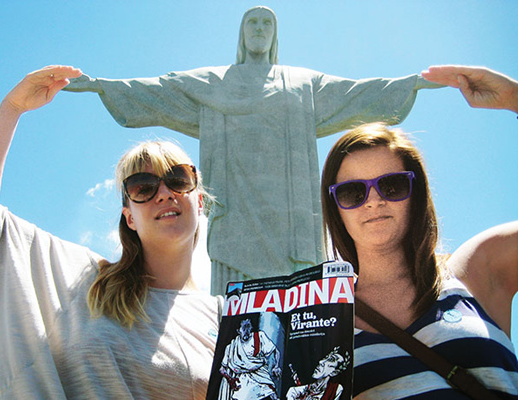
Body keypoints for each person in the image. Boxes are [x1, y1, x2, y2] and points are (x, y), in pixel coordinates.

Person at [63, 6, 445, 295]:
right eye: (252, 23)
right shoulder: (215, 82)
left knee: (302, 316)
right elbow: (162, 90)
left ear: (274, 36)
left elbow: (353, 92)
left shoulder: (300, 84)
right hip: (237, 210)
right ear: (242, 34)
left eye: (267, 24)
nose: (259, 30)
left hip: (292, 218)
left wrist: (411, 84)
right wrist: (101, 86)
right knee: (237, 315)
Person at [0, 66, 221, 399]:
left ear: (198, 199)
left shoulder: (225, 317)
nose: (164, 193)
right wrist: (12, 108)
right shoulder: (87, 281)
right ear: (130, 218)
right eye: (143, 187)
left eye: (178, 179)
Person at [320, 122, 518, 398]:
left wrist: (513, 98)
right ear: (335, 207)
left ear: (417, 193)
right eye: (352, 192)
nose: (373, 201)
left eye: (392, 185)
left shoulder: (474, 272)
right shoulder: (322, 323)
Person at [218, 318, 282, 400]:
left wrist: (276, 366)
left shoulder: (259, 337)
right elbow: (222, 369)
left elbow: (275, 351)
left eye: (248, 327)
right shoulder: (231, 347)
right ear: (238, 330)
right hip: (242, 386)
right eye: (243, 328)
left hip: (261, 380)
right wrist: (230, 379)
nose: (246, 331)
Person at [285, 347, 350, 400]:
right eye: (326, 357)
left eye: (331, 360)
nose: (321, 362)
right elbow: (291, 392)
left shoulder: (336, 389)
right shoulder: (301, 390)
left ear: (334, 372)